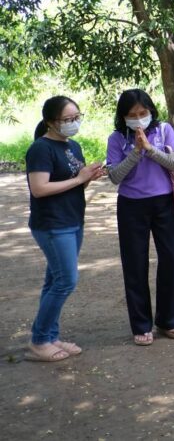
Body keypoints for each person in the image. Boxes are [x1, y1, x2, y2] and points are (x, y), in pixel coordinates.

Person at [24, 96, 104, 361]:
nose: (74, 123)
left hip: (73, 220)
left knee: (54, 281)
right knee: (66, 281)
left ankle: (50, 336)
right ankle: (39, 341)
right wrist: (79, 179)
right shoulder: (41, 149)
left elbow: (74, 182)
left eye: (77, 117)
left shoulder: (73, 146)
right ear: (50, 122)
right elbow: (39, 188)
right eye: (67, 119)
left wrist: (88, 178)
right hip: (52, 224)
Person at [107, 89, 174, 345]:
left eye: (143, 113)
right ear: (123, 117)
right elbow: (115, 176)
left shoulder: (164, 130)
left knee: (170, 258)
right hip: (131, 205)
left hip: (164, 203)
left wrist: (150, 149)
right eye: (132, 115)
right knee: (135, 264)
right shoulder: (116, 139)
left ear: (151, 111)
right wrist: (135, 152)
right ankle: (141, 324)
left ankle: (169, 319)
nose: (139, 119)